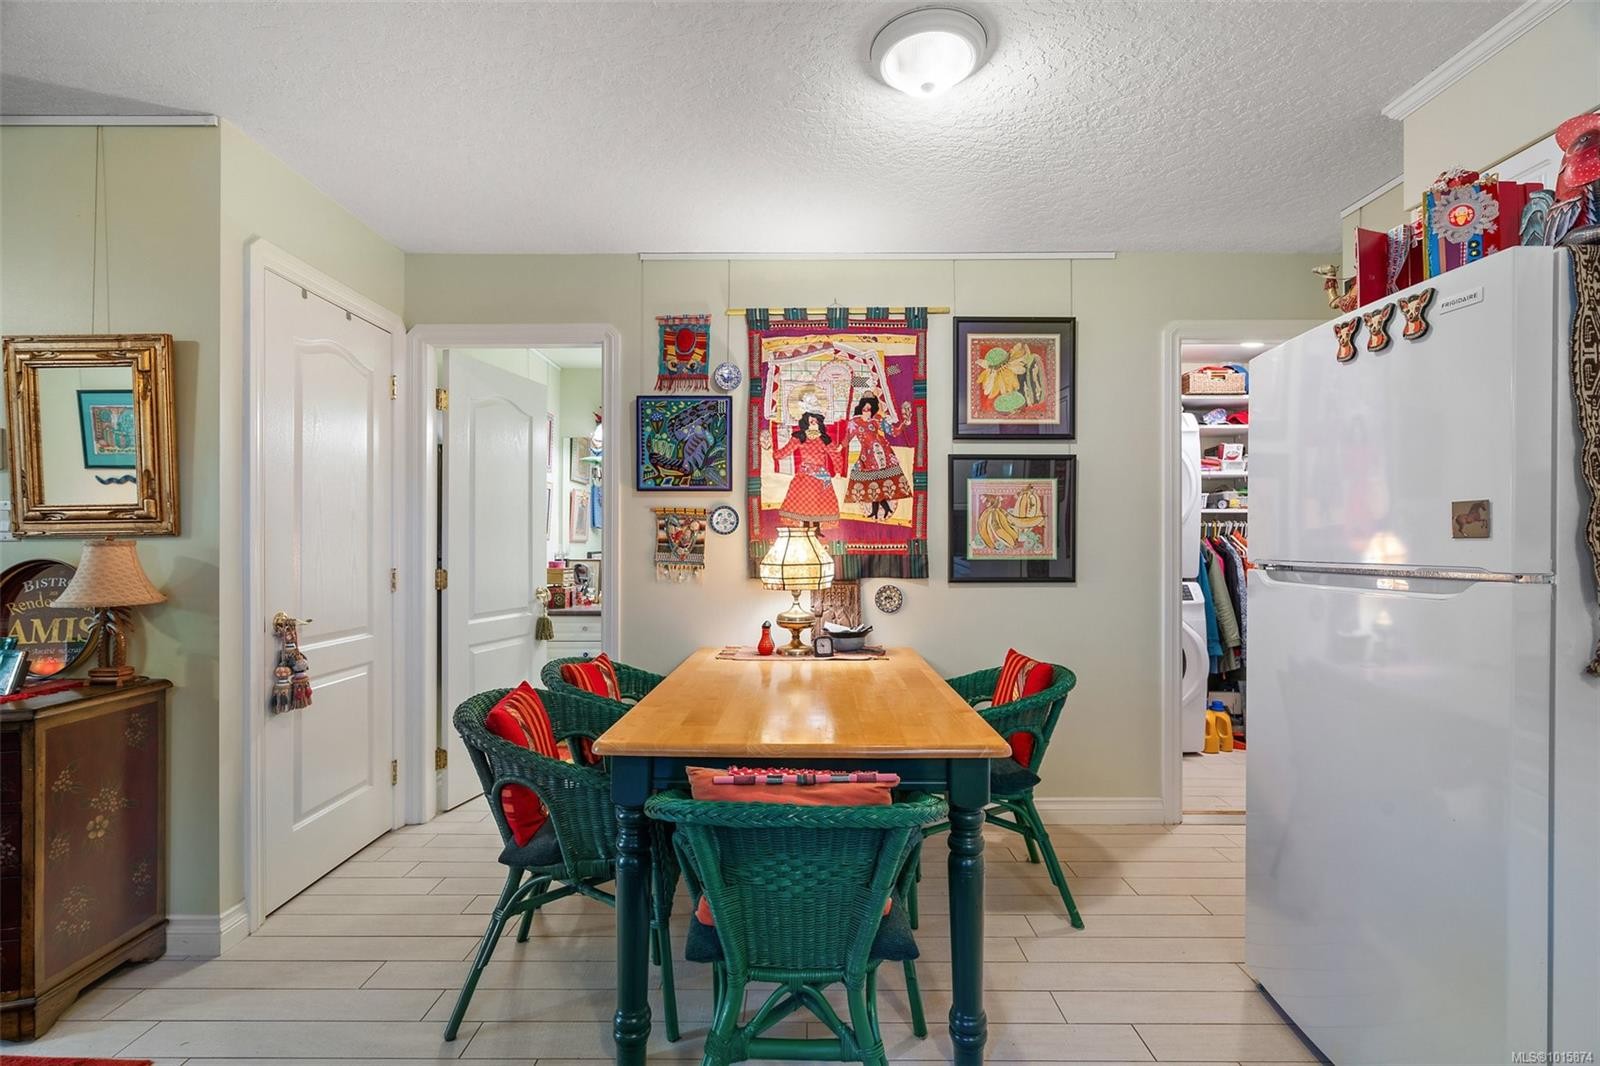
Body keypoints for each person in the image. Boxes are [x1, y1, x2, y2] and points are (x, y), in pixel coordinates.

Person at [844, 394, 912, 520]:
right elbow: (848, 437)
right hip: (866, 457)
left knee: (880, 484)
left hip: (883, 454)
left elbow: (894, 432)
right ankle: (875, 511)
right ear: (860, 409)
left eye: (869, 409)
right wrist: (839, 447)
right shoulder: (855, 422)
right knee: (871, 484)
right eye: (864, 409)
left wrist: (904, 424)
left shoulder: (877, 421)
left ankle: (884, 510)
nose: (866, 412)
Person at [768, 411, 843, 525]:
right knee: (803, 500)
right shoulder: (800, 437)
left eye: (816, 421)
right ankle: (806, 526)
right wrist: (773, 454)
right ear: (806, 423)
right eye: (811, 421)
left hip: (820, 476)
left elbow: (835, 455)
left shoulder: (824, 439)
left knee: (820, 502)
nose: (814, 424)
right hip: (805, 474)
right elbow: (786, 450)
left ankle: (817, 528)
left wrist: (838, 471)